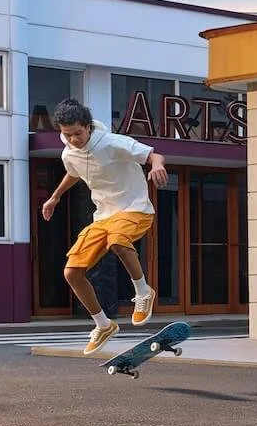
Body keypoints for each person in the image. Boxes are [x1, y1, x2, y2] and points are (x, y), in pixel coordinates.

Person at [41, 98, 167, 355]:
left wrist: (157, 166)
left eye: (78, 133)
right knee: (72, 272)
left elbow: (152, 154)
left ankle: (143, 291)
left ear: (88, 127)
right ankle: (103, 324)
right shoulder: (69, 153)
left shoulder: (111, 142)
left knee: (118, 240)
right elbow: (74, 172)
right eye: (68, 135)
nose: (74, 139)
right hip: (104, 217)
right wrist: (55, 197)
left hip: (134, 208)